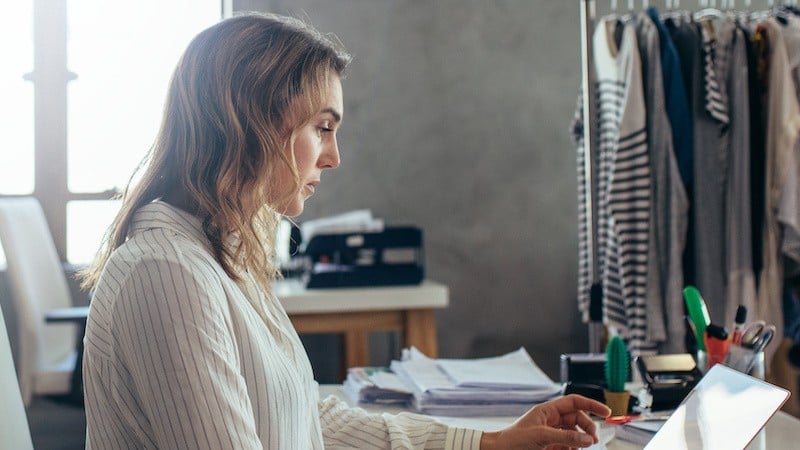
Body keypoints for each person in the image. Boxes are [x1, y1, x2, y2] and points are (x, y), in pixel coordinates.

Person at [79, 11, 611, 450]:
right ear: (253, 119)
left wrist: (487, 443)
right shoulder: (167, 273)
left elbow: (307, 420)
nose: (334, 157)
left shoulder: (221, 253)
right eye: (323, 128)